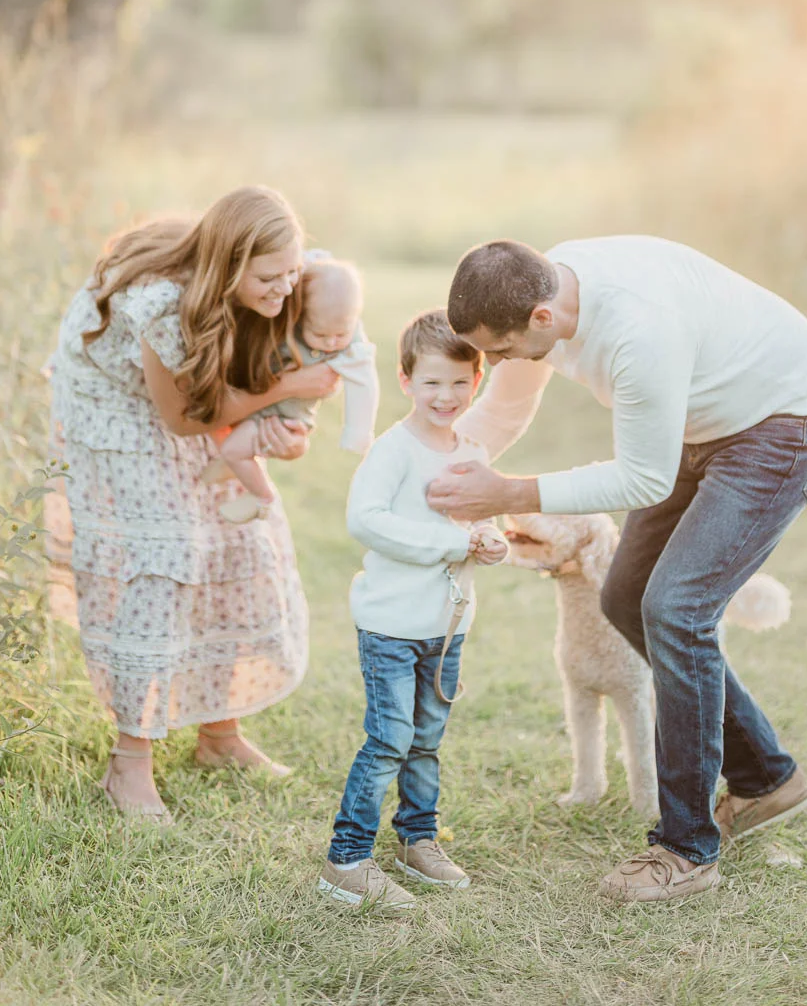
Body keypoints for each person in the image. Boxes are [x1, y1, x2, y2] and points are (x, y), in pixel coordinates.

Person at [426, 235, 807, 904]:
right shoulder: (544, 288)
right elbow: (505, 408)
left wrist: (508, 493)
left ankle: (687, 848)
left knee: (676, 608)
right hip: (704, 417)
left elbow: (642, 477)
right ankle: (767, 780)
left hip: (785, 421)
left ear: (541, 320)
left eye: (500, 350)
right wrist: (431, 471)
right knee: (624, 596)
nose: (495, 363)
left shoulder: (638, 331)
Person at [46, 185, 340, 821]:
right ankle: (129, 764)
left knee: (238, 538)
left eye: (292, 270)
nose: (285, 287)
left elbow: (243, 381)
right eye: (270, 277)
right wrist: (286, 388)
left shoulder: (276, 271)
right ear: (229, 265)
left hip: (179, 399)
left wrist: (285, 421)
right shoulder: (162, 306)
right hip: (114, 415)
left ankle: (218, 734)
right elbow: (185, 420)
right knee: (167, 560)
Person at [318, 310, 509, 910]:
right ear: (405, 381)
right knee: (390, 739)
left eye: (458, 381)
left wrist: (492, 537)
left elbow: (480, 516)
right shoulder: (393, 450)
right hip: (392, 627)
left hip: (447, 628)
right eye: (431, 382)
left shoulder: (472, 449)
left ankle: (417, 841)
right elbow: (366, 521)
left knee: (426, 740)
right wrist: (455, 543)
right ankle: (346, 859)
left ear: (476, 379)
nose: (445, 395)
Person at [203, 255, 379, 520]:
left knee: (232, 449)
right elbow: (307, 265)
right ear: (300, 315)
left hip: (286, 418)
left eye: (340, 335)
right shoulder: (290, 311)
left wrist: (358, 435)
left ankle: (263, 497)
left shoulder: (352, 344)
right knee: (228, 444)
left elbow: (365, 384)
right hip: (255, 403)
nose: (331, 343)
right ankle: (234, 468)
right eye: (319, 335)